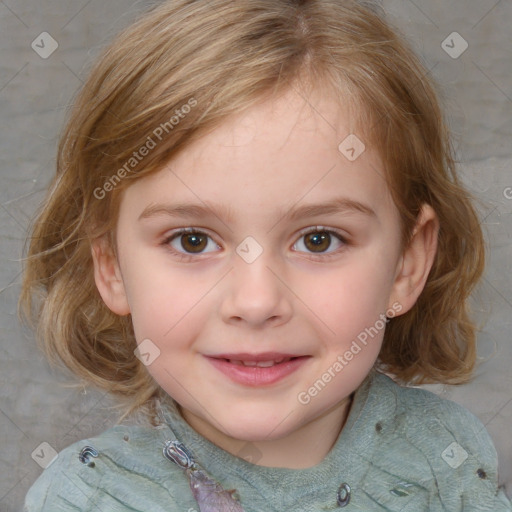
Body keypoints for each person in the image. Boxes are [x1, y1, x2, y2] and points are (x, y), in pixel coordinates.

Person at [20, 0, 511, 510]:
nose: (256, 302)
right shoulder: (89, 496)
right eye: (192, 240)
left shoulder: (443, 458)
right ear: (112, 267)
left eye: (319, 240)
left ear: (407, 264)